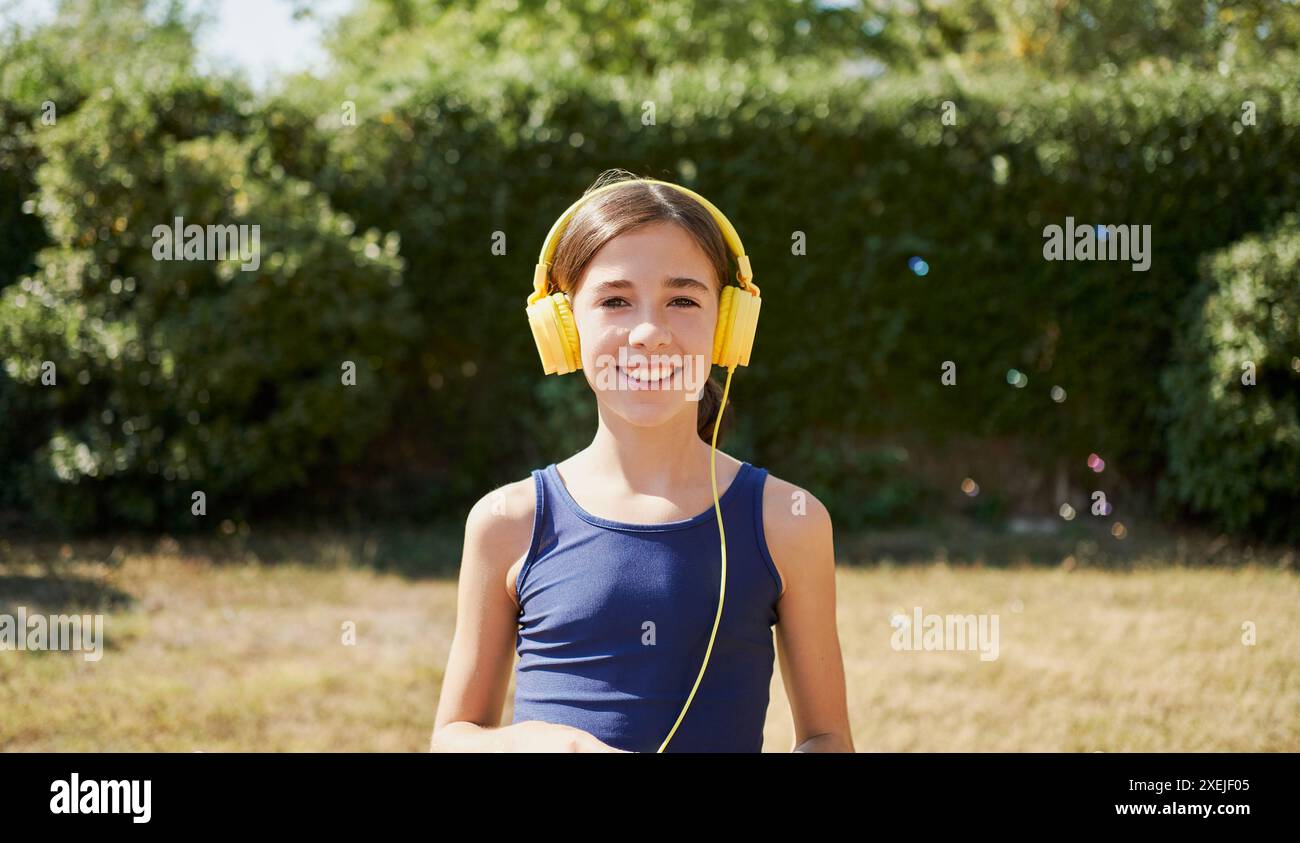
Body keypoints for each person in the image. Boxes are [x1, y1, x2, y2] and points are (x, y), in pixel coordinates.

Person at [430, 170, 853, 752]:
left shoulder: (790, 521)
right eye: (615, 301)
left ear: (729, 325)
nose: (650, 332)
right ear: (564, 329)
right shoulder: (506, 522)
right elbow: (453, 739)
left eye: (682, 299)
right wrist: (553, 747)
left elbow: (828, 738)